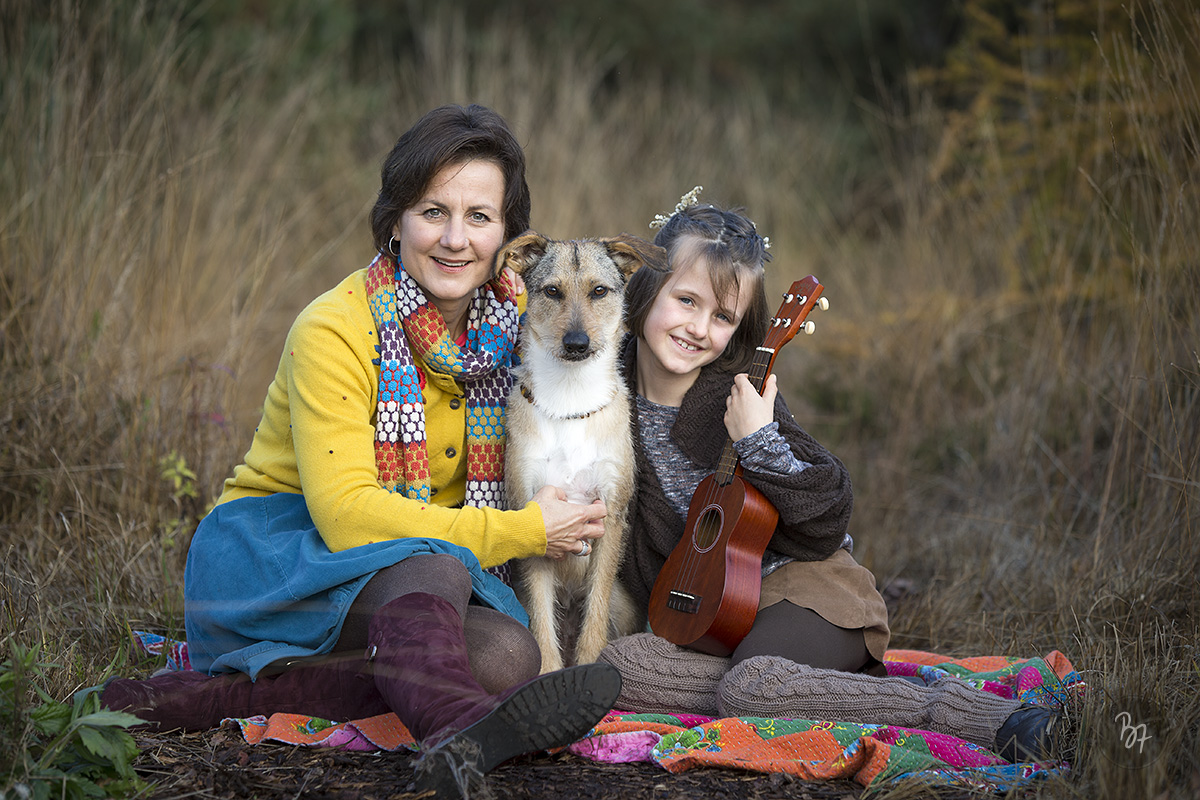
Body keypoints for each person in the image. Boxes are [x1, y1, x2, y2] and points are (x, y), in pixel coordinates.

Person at [95, 104, 621, 798]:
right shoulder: (335, 327)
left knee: (508, 654)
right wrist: (525, 530)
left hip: (406, 578)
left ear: (506, 237)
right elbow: (346, 517)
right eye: (433, 211)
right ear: (395, 219)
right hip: (274, 558)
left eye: (480, 217)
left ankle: (203, 698)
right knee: (434, 574)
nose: (455, 239)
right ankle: (458, 738)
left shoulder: (516, 334)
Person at [597, 188, 1059, 763]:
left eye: (722, 316)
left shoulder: (740, 392)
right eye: (686, 300)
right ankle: (806, 690)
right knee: (623, 665)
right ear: (646, 289)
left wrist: (758, 441)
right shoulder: (603, 392)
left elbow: (828, 516)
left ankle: (979, 715)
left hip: (806, 592)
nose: (698, 328)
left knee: (753, 689)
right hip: (711, 615)